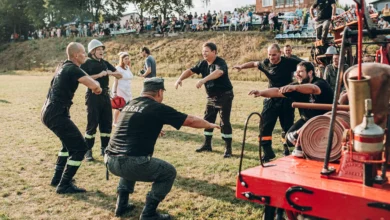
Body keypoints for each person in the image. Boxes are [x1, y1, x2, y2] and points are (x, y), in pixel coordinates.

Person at [106, 77, 220, 218]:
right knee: (168, 172)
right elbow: (189, 120)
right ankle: (149, 214)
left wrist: (153, 128)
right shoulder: (157, 107)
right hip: (131, 163)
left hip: (110, 160)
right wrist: (209, 124)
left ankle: (121, 205)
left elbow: (132, 123)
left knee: (127, 158)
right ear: (159, 92)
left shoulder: (131, 103)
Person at [41, 42, 102, 194]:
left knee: (67, 145)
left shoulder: (63, 66)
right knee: (80, 148)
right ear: (76, 55)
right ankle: (64, 184)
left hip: (48, 111)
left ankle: (57, 178)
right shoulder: (73, 69)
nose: (86, 55)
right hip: (57, 113)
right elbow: (93, 85)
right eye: (83, 53)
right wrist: (98, 87)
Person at [248, 61, 333, 157]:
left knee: (306, 138)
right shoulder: (296, 86)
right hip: (306, 119)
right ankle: (305, 148)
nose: (297, 75)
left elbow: (314, 89)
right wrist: (260, 92)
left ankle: (310, 150)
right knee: (289, 139)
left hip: (325, 120)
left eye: (301, 72)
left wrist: (295, 87)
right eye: (296, 72)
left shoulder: (320, 83)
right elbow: (277, 91)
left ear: (310, 73)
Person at [233, 44, 301, 162]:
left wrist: (299, 80)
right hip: (271, 98)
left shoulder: (289, 62)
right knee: (265, 126)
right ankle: (268, 152)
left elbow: (304, 66)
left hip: (286, 98)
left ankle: (290, 149)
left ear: (280, 53)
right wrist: (241, 67)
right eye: (269, 55)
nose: (271, 57)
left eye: (274, 55)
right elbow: (254, 63)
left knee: (288, 127)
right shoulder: (266, 63)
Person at [175, 42, 234, 158]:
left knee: (224, 121)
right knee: (207, 119)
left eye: (206, 51)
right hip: (211, 97)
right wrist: (180, 78)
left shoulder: (220, 62)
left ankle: (228, 148)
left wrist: (203, 80)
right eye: (203, 51)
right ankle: (207, 144)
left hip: (225, 96)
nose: (204, 53)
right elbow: (190, 71)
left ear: (214, 52)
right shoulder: (202, 63)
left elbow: (219, 72)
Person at [81, 39, 122, 161]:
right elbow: (82, 78)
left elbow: (120, 75)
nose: (101, 51)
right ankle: (87, 150)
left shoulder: (105, 63)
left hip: (105, 96)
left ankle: (105, 149)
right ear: (92, 51)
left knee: (106, 124)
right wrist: (99, 75)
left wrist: (110, 73)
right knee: (92, 124)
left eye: (102, 49)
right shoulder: (87, 63)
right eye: (98, 49)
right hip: (93, 96)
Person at [112, 52, 134, 126]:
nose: (127, 60)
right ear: (122, 59)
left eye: (128, 58)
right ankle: (115, 121)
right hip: (120, 89)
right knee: (120, 106)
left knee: (128, 105)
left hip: (127, 89)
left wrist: (129, 66)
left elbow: (129, 76)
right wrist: (114, 92)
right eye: (125, 59)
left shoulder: (127, 67)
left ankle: (124, 121)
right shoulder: (118, 68)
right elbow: (116, 81)